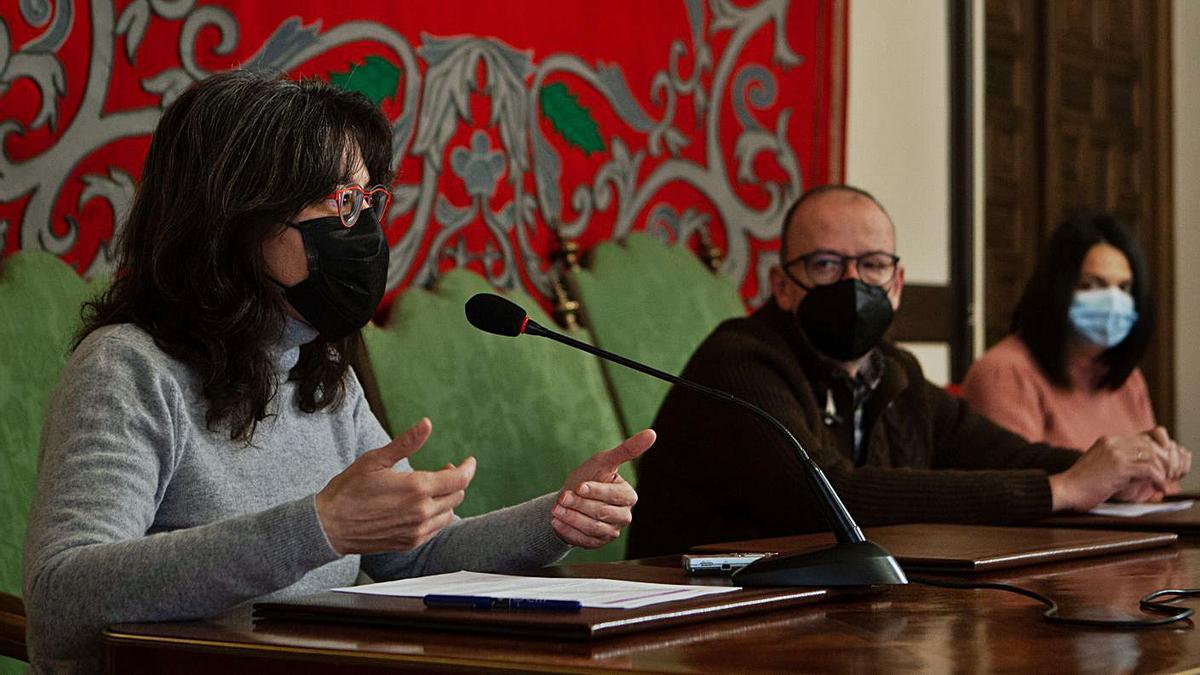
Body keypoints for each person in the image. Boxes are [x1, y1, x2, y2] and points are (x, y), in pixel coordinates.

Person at [21, 70, 655, 674]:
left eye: (366, 201)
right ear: (235, 219)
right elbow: (62, 596)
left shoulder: (318, 372)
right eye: (339, 204)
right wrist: (316, 528)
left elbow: (419, 554)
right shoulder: (129, 368)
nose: (364, 231)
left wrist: (556, 517)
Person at [625, 185, 1188, 558]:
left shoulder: (896, 372)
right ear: (782, 286)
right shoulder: (740, 363)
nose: (853, 283)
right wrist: (1060, 490)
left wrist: (1115, 472)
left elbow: (1002, 454)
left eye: (871, 265)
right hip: (705, 626)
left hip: (840, 617)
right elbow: (828, 496)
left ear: (895, 285)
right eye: (825, 264)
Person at [962, 214, 1176, 455]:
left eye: (1124, 288)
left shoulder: (1127, 379)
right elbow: (1019, 485)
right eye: (1091, 285)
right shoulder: (1004, 373)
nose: (1112, 301)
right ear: (1056, 288)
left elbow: (1160, 487)